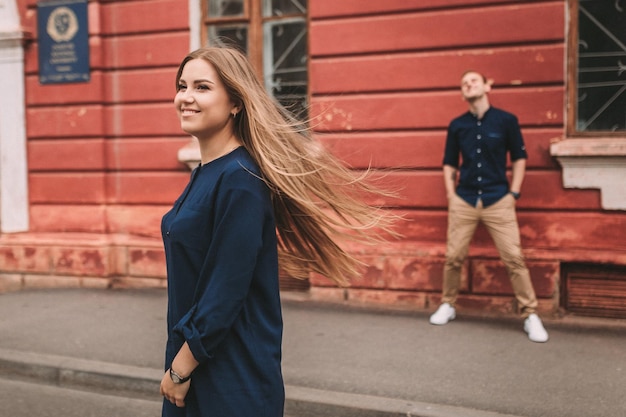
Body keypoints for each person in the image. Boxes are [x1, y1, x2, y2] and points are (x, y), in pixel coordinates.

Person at [159, 46, 396, 416]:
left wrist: (179, 368)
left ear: (235, 102)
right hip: (198, 361)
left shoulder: (241, 180)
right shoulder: (206, 174)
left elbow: (225, 290)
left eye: (202, 87)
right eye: (182, 85)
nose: (185, 98)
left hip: (230, 374)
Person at [429, 70, 549, 343]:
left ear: (486, 86)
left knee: (514, 258)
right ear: (462, 93)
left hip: (498, 200)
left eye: (474, 80)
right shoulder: (457, 125)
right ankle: (448, 304)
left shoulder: (506, 121)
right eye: (464, 83)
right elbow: (449, 162)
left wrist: (514, 192)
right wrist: (451, 195)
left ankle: (530, 314)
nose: (469, 85)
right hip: (465, 199)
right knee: (454, 256)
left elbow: (519, 158)